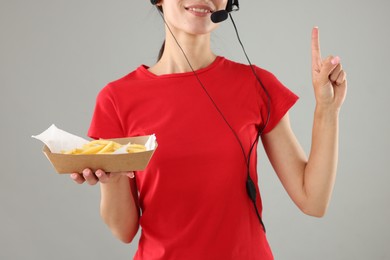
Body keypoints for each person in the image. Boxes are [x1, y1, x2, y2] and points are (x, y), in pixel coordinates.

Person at [70, 0, 347, 259]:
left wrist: (327, 110)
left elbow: (313, 200)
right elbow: (123, 231)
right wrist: (113, 179)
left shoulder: (256, 84)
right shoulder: (117, 98)